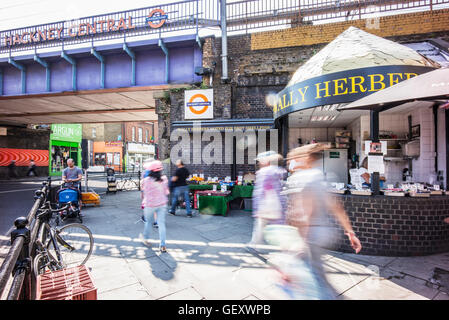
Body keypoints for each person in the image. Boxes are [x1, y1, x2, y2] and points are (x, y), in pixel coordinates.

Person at [283, 143, 362, 299]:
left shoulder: (301, 178)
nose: (291, 162)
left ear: (305, 158)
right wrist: (350, 232)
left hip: (310, 234)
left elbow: (305, 213)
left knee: (314, 278)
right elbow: (336, 207)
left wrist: (299, 242)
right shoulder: (320, 176)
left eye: (294, 158)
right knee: (317, 274)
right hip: (324, 232)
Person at [247, 151, 287, 251]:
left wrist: (257, 208)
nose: (259, 163)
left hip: (266, 205)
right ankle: (284, 246)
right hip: (276, 204)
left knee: (260, 225)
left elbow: (260, 191)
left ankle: (254, 244)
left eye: (259, 161)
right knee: (274, 226)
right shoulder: (279, 171)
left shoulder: (264, 172)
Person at [141, 160, 169, 252]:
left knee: (148, 222)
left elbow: (144, 192)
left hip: (150, 205)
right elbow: (166, 192)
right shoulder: (164, 179)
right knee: (161, 224)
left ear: (151, 171)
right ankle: (163, 245)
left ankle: (145, 238)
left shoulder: (146, 180)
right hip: (162, 204)